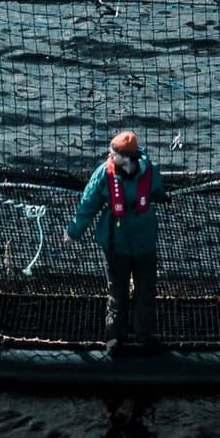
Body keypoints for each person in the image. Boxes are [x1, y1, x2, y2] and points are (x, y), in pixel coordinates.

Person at [68, 129, 164, 354]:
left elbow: (157, 189)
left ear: (127, 158)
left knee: (146, 290)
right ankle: (114, 337)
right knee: (117, 291)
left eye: (114, 153)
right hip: (116, 244)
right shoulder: (104, 174)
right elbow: (87, 204)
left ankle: (145, 335)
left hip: (144, 243)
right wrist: (73, 232)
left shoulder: (150, 171)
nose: (109, 156)